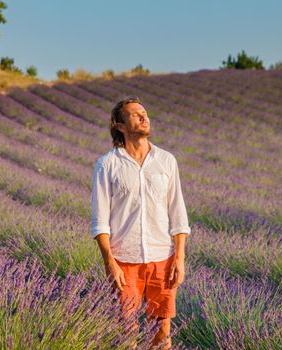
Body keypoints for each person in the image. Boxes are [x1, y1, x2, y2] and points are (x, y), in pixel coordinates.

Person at [91, 96, 191, 349]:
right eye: (135, 114)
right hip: (125, 260)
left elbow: (178, 213)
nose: (144, 117)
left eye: (144, 113)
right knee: (127, 332)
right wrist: (110, 263)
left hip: (162, 258)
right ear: (120, 126)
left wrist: (179, 258)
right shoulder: (107, 164)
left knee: (162, 334)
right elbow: (100, 221)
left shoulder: (166, 160)